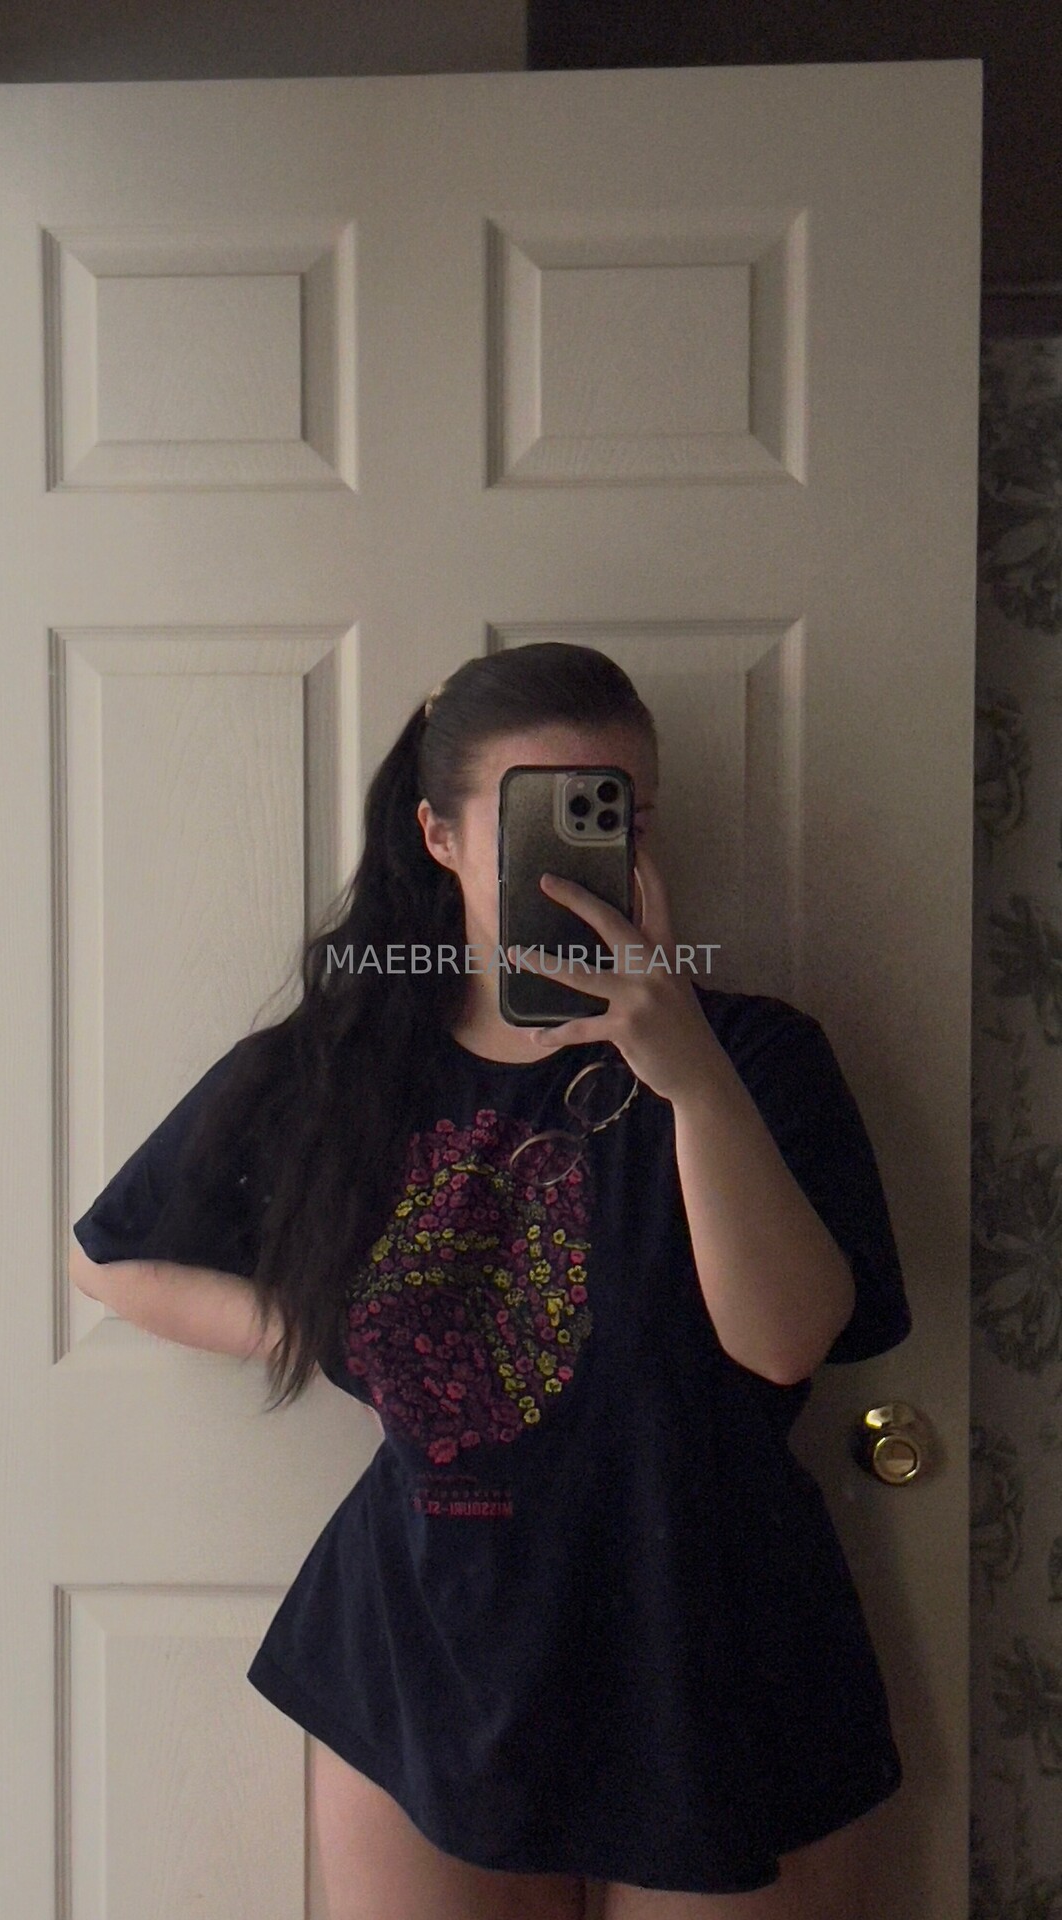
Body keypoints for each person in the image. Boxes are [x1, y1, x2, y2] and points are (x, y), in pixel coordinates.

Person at [69, 642, 913, 1920]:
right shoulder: (350, 1061)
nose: (579, 861)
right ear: (442, 837)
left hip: (714, 1649)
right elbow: (109, 1259)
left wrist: (687, 1073)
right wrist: (351, 1327)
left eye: (616, 815)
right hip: (429, 1647)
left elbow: (784, 1342)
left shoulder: (758, 1054)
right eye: (536, 821)